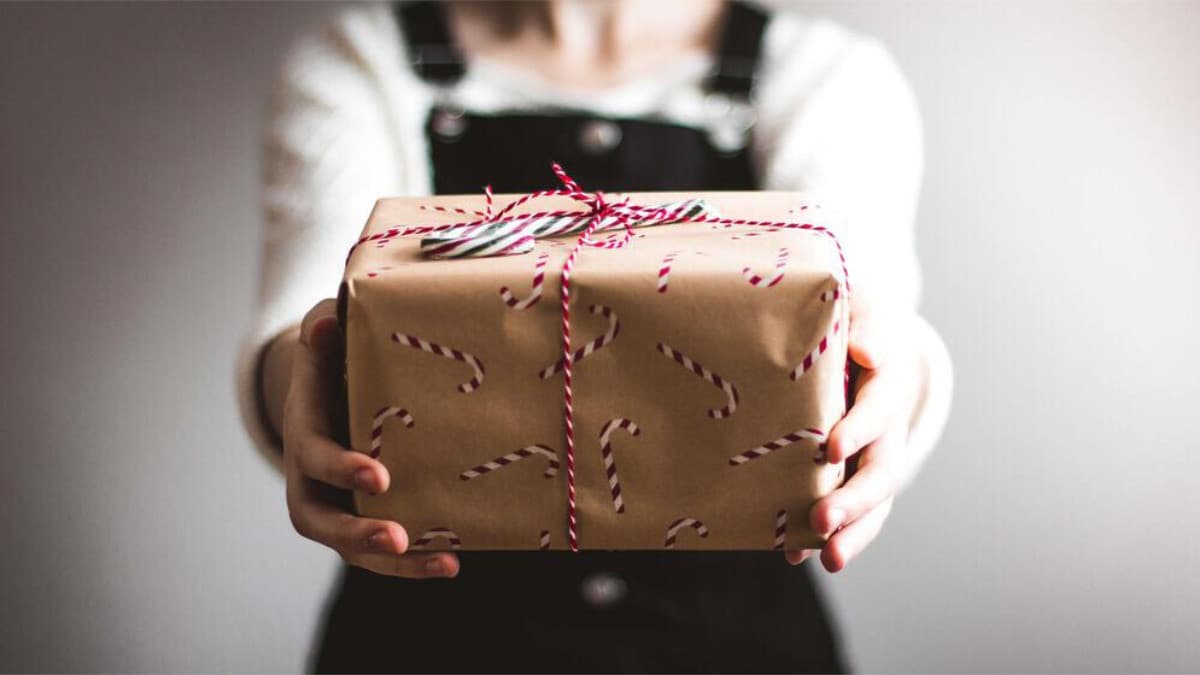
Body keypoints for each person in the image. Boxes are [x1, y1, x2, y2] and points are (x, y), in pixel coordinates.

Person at [236, 1, 953, 671]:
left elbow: (868, 309)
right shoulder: (363, 63)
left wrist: (900, 375)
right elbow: (307, 318)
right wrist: (301, 382)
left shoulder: (822, 77)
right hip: (429, 643)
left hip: (738, 642)